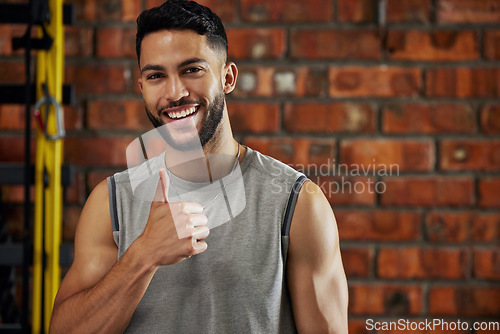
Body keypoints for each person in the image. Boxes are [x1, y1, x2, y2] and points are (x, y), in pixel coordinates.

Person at [49, 0, 348, 333]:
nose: (175, 93)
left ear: (228, 77)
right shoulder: (111, 203)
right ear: (142, 88)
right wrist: (143, 256)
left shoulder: (297, 203)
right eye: (156, 76)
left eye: (192, 69)